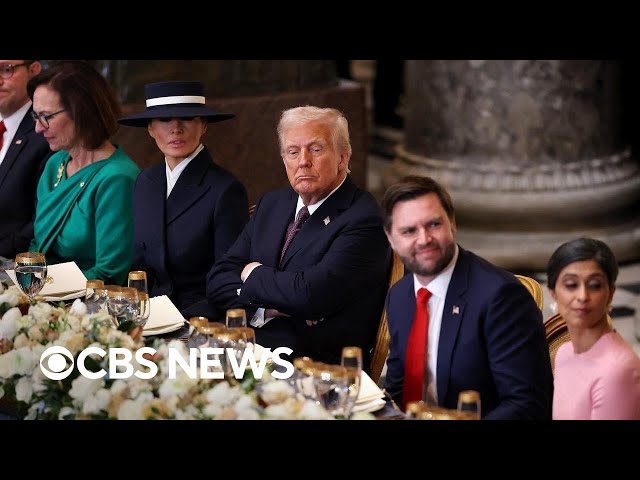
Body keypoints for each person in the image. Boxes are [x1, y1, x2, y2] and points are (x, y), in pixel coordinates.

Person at [207, 105, 391, 367]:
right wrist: (269, 307)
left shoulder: (364, 218)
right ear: (284, 159)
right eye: (293, 152)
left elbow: (310, 296)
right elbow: (218, 278)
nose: (303, 161)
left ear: (343, 157)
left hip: (315, 365)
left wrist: (253, 272)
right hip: (252, 346)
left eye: (316, 149)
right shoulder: (272, 203)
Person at [382, 175, 552, 419]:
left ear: (453, 223)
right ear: (391, 239)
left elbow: (527, 404)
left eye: (433, 225)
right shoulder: (400, 296)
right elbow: (398, 390)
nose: (424, 239)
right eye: (409, 231)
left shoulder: (501, 297)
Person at [118, 81, 248, 315]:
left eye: (187, 119)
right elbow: (138, 265)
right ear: (150, 128)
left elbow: (226, 279)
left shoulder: (226, 190)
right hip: (148, 311)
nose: (176, 128)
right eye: (165, 120)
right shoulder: (146, 181)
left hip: (199, 316)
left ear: (204, 125)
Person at [27, 60, 140, 285]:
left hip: (88, 306)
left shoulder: (118, 177)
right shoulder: (55, 164)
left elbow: (109, 273)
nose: (38, 127)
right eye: (35, 116)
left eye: (46, 117)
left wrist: (43, 286)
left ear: (82, 112)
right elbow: (37, 246)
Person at [548, 237, 640, 420]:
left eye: (595, 285)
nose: (582, 296)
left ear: (611, 293)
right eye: (571, 285)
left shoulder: (617, 370)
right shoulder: (563, 353)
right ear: (553, 294)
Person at [0, 60, 53, 259]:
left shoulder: (47, 133)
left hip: (16, 270)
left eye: (6, 69)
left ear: (33, 70)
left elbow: (43, 219)